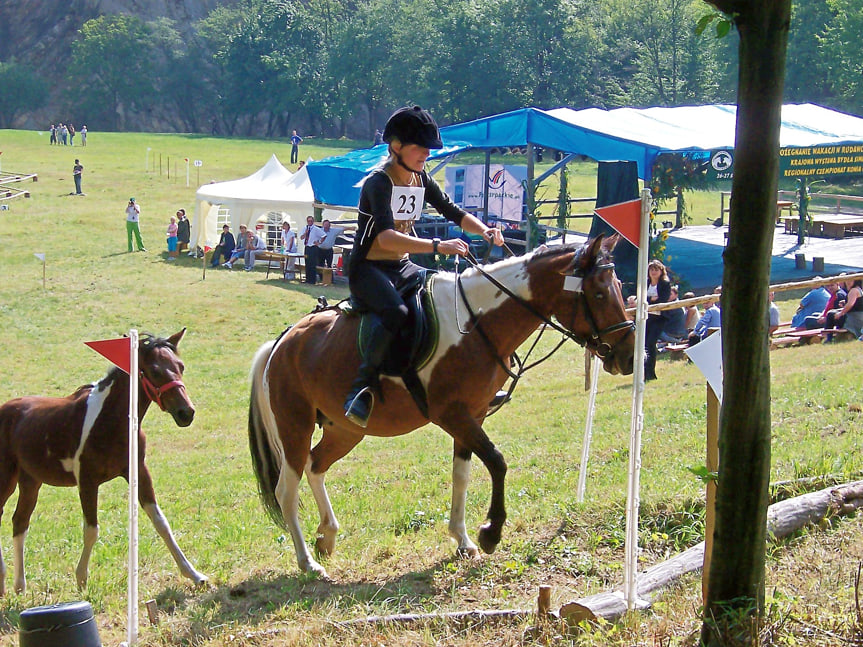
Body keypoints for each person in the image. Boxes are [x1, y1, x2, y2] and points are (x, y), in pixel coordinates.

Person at [343, 105, 504, 427]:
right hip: (368, 270)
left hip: (401, 267)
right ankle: (361, 389)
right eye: (419, 148)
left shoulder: (420, 178)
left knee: (447, 299)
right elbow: (386, 238)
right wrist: (437, 246)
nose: (426, 155)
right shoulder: (379, 183)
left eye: (428, 149)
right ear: (396, 147)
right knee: (397, 313)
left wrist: (484, 229)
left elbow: (452, 211)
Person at [644, 259, 672, 381]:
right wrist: (652, 300)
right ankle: (645, 373)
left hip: (659, 318)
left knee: (651, 343)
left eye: (656, 269)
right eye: (651, 269)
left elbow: (664, 300)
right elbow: (642, 299)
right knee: (644, 345)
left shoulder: (665, 284)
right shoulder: (645, 283)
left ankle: (651, 373)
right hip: (646, 318)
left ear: (661, 271)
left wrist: (653, 300)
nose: (653, 272)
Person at [300, 216, 324, 284]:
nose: (309, 222)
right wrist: (305, 233)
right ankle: (307, 279)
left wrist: (319, 242)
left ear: (313, 221)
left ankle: (312, 280)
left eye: (311, 221)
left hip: (313, 247)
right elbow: (301, 237)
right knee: (307, 263)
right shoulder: (305, 228)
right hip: (307, 247)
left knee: (312, 264)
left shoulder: (316, 229)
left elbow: (324, 235)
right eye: (308, 221)